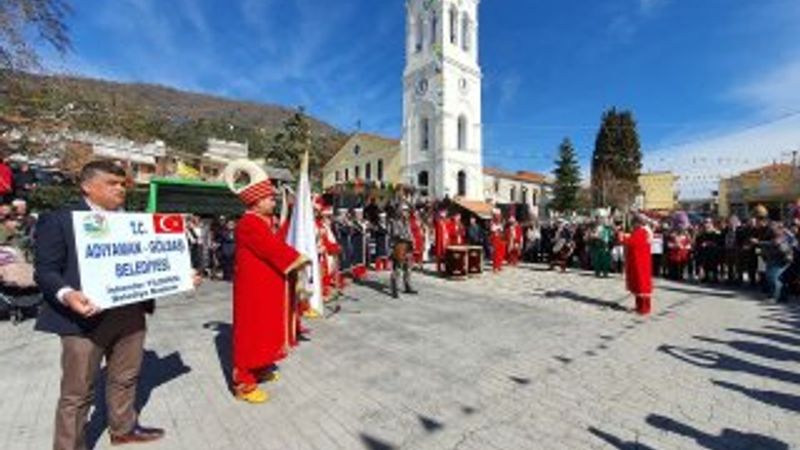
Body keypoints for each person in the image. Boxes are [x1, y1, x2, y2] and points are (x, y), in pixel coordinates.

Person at [34, 160, 199, 449]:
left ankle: (123, 430)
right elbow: (46, 271)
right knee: (77, 392)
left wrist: (180, 277)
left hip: (130, 315)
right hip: (83, 320)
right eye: (112, 183)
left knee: (125, 377)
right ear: (87, 186)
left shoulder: (134, 222)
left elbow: (151, 262)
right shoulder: (60, 219)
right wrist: (68, 295)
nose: (120, 189)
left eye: (122, 184)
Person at [231, 176, 308, 404]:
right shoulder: (249, 223)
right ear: (256, 202)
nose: (273, 201)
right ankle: (243, 382)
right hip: (252, 291)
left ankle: (260, 367)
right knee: (249, 332)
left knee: (263, 328)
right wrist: (298, 259)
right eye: (269, 198)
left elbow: (280, 239)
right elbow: (270, 248)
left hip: (264, 288)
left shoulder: (264, 221)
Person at [625, 215, 653, 315]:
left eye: (634, 223)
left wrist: (623, 237)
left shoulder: (642, 231)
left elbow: (632, 242)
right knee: (638, 284)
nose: (633, 225)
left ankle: (644, 308)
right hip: (639, 260)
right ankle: (638, 306)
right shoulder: (641, 231)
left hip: (641, 262)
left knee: (642, 284)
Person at [388, 204, 418, 298]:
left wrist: (412, 240)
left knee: (408, 267)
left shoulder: (407, 221)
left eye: (407, 211)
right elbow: (395, 234)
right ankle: (394, 288)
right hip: (399, 246)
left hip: (408, 246)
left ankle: (407, 285)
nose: (406, 213)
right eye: (404, 211)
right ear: (400, 211)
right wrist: (406, 238)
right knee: (397, 268)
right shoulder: (394, 221)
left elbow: (409, 232)